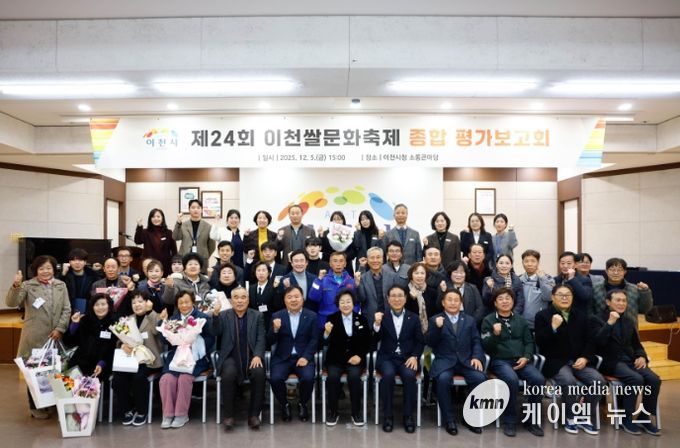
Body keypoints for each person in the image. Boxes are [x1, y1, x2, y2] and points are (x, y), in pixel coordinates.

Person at [6, 256, 71, 419]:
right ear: (36, 270)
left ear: (53, 269)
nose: (45, 271)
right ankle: (35, 408)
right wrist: (16, 285)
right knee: (34, 373)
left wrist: (60, 328)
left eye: (48, 268)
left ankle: (50, 404)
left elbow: (67, 309)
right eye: (41, 268)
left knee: (53, 371)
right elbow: (11, 302)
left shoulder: (61, 285)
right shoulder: (28, 285)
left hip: (55, 337)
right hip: (34, 337)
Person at [534, 284, 604, 435]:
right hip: (555, 361)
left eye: (568, 295)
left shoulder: (581, 315)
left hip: (579, 360)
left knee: (598, 381)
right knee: (569, 381)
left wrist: (585, 358)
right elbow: (540, 342)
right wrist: (552, 327)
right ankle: (570, 418)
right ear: (553, 297)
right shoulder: (543, 315)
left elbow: (590, 341)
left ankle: (584, 416)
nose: (565, 298)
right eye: (561, 295)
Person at [592, 289, 661, 436]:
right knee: (635, 379)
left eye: (624, 301)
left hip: (630, 360)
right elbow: (597, 343)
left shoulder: (629, 321)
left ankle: (644, 417)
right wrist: (609, 323)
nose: (621, 303)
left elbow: (637, 345)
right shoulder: (596, 319)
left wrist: (641, 356)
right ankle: (626, 419)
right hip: (610, 362)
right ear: (608, 302)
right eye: (618, 300)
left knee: (654, 379)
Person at [481, 287, 545, 437]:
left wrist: (526, 357)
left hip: (521, 361)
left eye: (507, 298)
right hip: (500, 361)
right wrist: (495, 334)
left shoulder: (521, 320)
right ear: (495, 303)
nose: (505, 301)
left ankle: (532, 420)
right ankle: (509, 421)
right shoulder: (488, 320)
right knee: (511, 379)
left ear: (513, 301)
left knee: (538, 379)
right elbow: (486, 346)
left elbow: (529, 342)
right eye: (501, 299)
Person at [426, 288, 487, 436]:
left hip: (466, 361)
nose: (453, 303)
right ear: (443, 302)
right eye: (449, 300)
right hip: (445, 361)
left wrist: (477, 357)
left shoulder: (469, 320)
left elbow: (476, 341)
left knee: (480, 378)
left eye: (456, 300)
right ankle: (449, 420)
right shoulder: (435, 319)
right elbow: (430, 342)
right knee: (443, 380)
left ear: (461, 303)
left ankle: (470, 418)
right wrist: (437, 328)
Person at [211, 286, 266, 430]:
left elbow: (261, 338)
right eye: (236, 297)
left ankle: (254, 415)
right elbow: (215, 332)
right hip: (230, 356)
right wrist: (215, 315)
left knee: (259, 372)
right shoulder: (224, 315)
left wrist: (258, 355)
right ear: (231, 300)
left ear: (248, 300)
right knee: (228, 374)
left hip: (252, 356)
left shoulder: (257, 315)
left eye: (243, 297)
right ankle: (229, 416)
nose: (240, 301)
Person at [159, 290, 215, 429]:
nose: (184, 305)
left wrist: (194, 343)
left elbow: (211, 339)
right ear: (177, 305)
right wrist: (163, 322)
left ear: (193, 302)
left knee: (184, 378)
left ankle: (181, 414)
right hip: (176, 357)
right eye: (181, 303)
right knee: (166, 379)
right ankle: (168, 414)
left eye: (187, 302)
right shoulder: (173, 319)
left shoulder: (202, 318)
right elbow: (164, 340)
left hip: (196, 358)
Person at [374, 285, 424, 434]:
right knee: (388, 375)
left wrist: (415, 356)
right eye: (393, 296)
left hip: (407, 358)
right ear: (388, 299)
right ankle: (388, 416)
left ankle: (408, 416)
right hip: (387, 358)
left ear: (405, 298)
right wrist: (376, 325)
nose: (397, 299)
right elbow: (374, 340)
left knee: (409, 376)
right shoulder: (383, 317)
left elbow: (420, 341)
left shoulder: (413, 318)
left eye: (400, 296)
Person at [111, 291, 166, 426]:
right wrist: (122, 345)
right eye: (134, 302)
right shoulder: (128, 319)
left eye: (140, 301)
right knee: (118, 379)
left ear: (147, 303)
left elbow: (158, 332)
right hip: (131, 360)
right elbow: (120, 339)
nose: (137, 305)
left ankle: (142, 411)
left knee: (138, 378)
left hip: (150, 361)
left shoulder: (155, 316)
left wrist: (150, 312)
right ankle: (128, 409)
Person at [267, 286, 319, 422]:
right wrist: (275, 329)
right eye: (289, 297)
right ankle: (284, 404)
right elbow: (269, 340)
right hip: (282, 357)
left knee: (308, 378)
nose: (293, 300)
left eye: (296, 296)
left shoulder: (312, 316)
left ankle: (302, 403)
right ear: (284, 300)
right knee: (275, 378)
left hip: (303, 357)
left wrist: (306, 357)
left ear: (302, 298)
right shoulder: (277, 316)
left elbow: (315, 339)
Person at [323, 289, 372, 426]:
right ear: (338, 304)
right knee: (333, 378)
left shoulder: (361, 319)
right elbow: (324, 343)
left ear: (353, 303)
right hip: (335, 359)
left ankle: (356, 413)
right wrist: (326, 333)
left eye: (348, 302)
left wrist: (359, 356)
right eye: (342, 302)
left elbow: (368, 342)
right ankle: (333, 412)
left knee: (354, 377)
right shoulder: (331, 318)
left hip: (355, 359)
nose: (345, 305)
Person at [65, 293, 117, 378]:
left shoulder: (114, 324)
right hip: (78, 363)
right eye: (96, 305)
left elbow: (112, 349)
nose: (100, 307)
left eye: (103, 304)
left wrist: (102, 363)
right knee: (69, 383)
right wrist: (74, 324)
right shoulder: (85, 320)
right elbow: (69, 342)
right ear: (92, 307)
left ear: (109, 306)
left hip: (99, 366)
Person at [591, 257, 653, 326]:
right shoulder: (595, 288)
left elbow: (645, 310)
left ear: (625, 272)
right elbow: (590, 311)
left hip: (629, 329)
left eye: (619, 270)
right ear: (606, 271)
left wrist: (645, 292)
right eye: (612, 270)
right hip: (601, 328)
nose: (616, 273)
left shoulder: (634, 289)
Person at [308, 252, 357, 331]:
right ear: (330, 264)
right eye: (335, 261)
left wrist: (352, 315)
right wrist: (318, 280)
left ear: (345, 264)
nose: (338, 264)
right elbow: (313, 297)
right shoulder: (322, 280)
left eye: (341, 261)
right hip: (326, 321)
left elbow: (356, 302)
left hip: (346, 322)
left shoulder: (351, 281)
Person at [356, 247, 401, 326]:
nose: (375, 260)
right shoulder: (362, 278)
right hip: (370, 318)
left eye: (378, 257)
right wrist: (357, 284)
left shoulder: (393, 276)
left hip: (390, 317)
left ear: (383, 259)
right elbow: (361, 299)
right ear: (367, 260)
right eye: (372, 258)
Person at [173, 199, 215, 272]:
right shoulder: (183, 225)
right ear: (189, 209)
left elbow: (212, 246)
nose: (196, 210)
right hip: (185, 259)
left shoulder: (208, 226)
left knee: (201, 278)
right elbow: (175, 237)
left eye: (198, 207)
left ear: (201, 210)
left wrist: (205, 255)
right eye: (193, 207)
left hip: (202, 260)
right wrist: (178, 222)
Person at [519, 249, 555, 329]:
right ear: (522, 263)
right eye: (526, 261)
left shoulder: (547, 279)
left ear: (538, 262)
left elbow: (549, 297)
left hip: (539, 322)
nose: (529, 264)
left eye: (533, 261)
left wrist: (542, 279)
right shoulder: (519, 279)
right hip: (521, 323)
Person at [135, 208, 177, 275]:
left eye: (158, 216)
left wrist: (174, 264)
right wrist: (139, 226)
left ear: (162, 218)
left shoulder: (169, 232)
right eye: (153, 217)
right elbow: (138, 241)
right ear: (150, 219)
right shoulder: (145, 232)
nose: (156, 219)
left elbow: (174, 251)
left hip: (165, 265)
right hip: (149, 265)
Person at [60, 247, 101, 314]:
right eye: (74, 260)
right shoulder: (65, 276)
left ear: (85, 262)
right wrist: (63, 274)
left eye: (80, 260)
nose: (77, 263)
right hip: (68, 310)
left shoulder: (92, 276)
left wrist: (97, 272)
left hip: (89, 311)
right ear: (69, 262)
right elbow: (56, 289)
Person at [445, 260, 485, 326]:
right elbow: (439, 307)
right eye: (455, 272)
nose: (459, 275)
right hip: (449, 325)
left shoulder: (472, 288)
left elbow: (480, 308)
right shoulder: (445, 287)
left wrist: (470, 322)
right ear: (450, 273)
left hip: (470, 325)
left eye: (461, 272)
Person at [405, 262, 440, 334]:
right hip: (410, 330)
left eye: (422, 273)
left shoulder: (432, 292)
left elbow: (436, 312)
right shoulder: (405, 291)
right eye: (416, 273)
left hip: (430, 331)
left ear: (426, 275)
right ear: (411, 275)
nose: (419, 276)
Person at [319, 211, 357, 275]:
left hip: (346, 266)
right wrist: (321, 237)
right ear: (331, 221)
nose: (336, 221)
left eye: (339, 219)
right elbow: (322, 249)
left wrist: (344, 256)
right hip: (328, 265)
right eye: (334, 219)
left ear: (343, 221)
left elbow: (353, 250)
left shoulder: (350, 233)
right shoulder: (325, 233)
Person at [248, 261, 282, 330]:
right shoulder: (251, 288)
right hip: (255, 322)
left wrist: (275, 290)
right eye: (258, 270)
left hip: (269, 322)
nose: (261, 273)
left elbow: (278, 306)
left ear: (268, 272)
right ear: (255, 273)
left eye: (263, 270)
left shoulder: (274, 287)